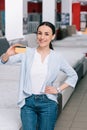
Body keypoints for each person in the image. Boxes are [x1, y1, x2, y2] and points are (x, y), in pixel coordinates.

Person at [0, 21, 78, 130]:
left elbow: (73, 75)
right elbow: (4, 62)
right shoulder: (27, 52)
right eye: (39, 33)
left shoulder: (57, 57)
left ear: (53, 36)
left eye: (46, 34)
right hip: (28, 102)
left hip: (48, 103)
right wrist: (7, 54)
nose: (42, 37)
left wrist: (58, 89)